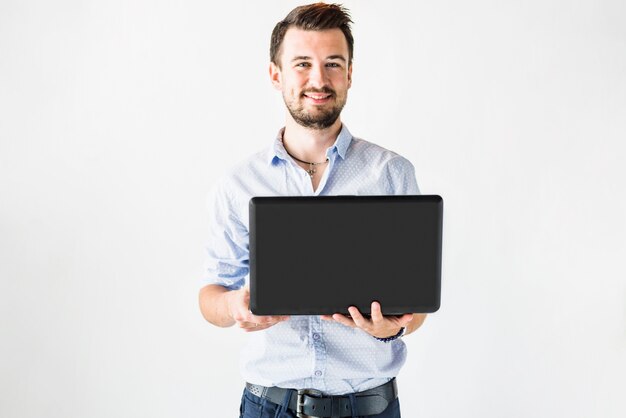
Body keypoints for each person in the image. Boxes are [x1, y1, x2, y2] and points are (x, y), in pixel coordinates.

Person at [199, 3, 428, 417]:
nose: (318, 79)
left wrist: (391, 328)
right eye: (302, 63)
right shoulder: (238, 184)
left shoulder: (390, 173)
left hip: (371, 406)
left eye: (333, 64)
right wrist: (234, 306)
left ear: (350, 74)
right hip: (270, 407)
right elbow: (211, 294)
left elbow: (415, 309)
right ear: (276, 74)